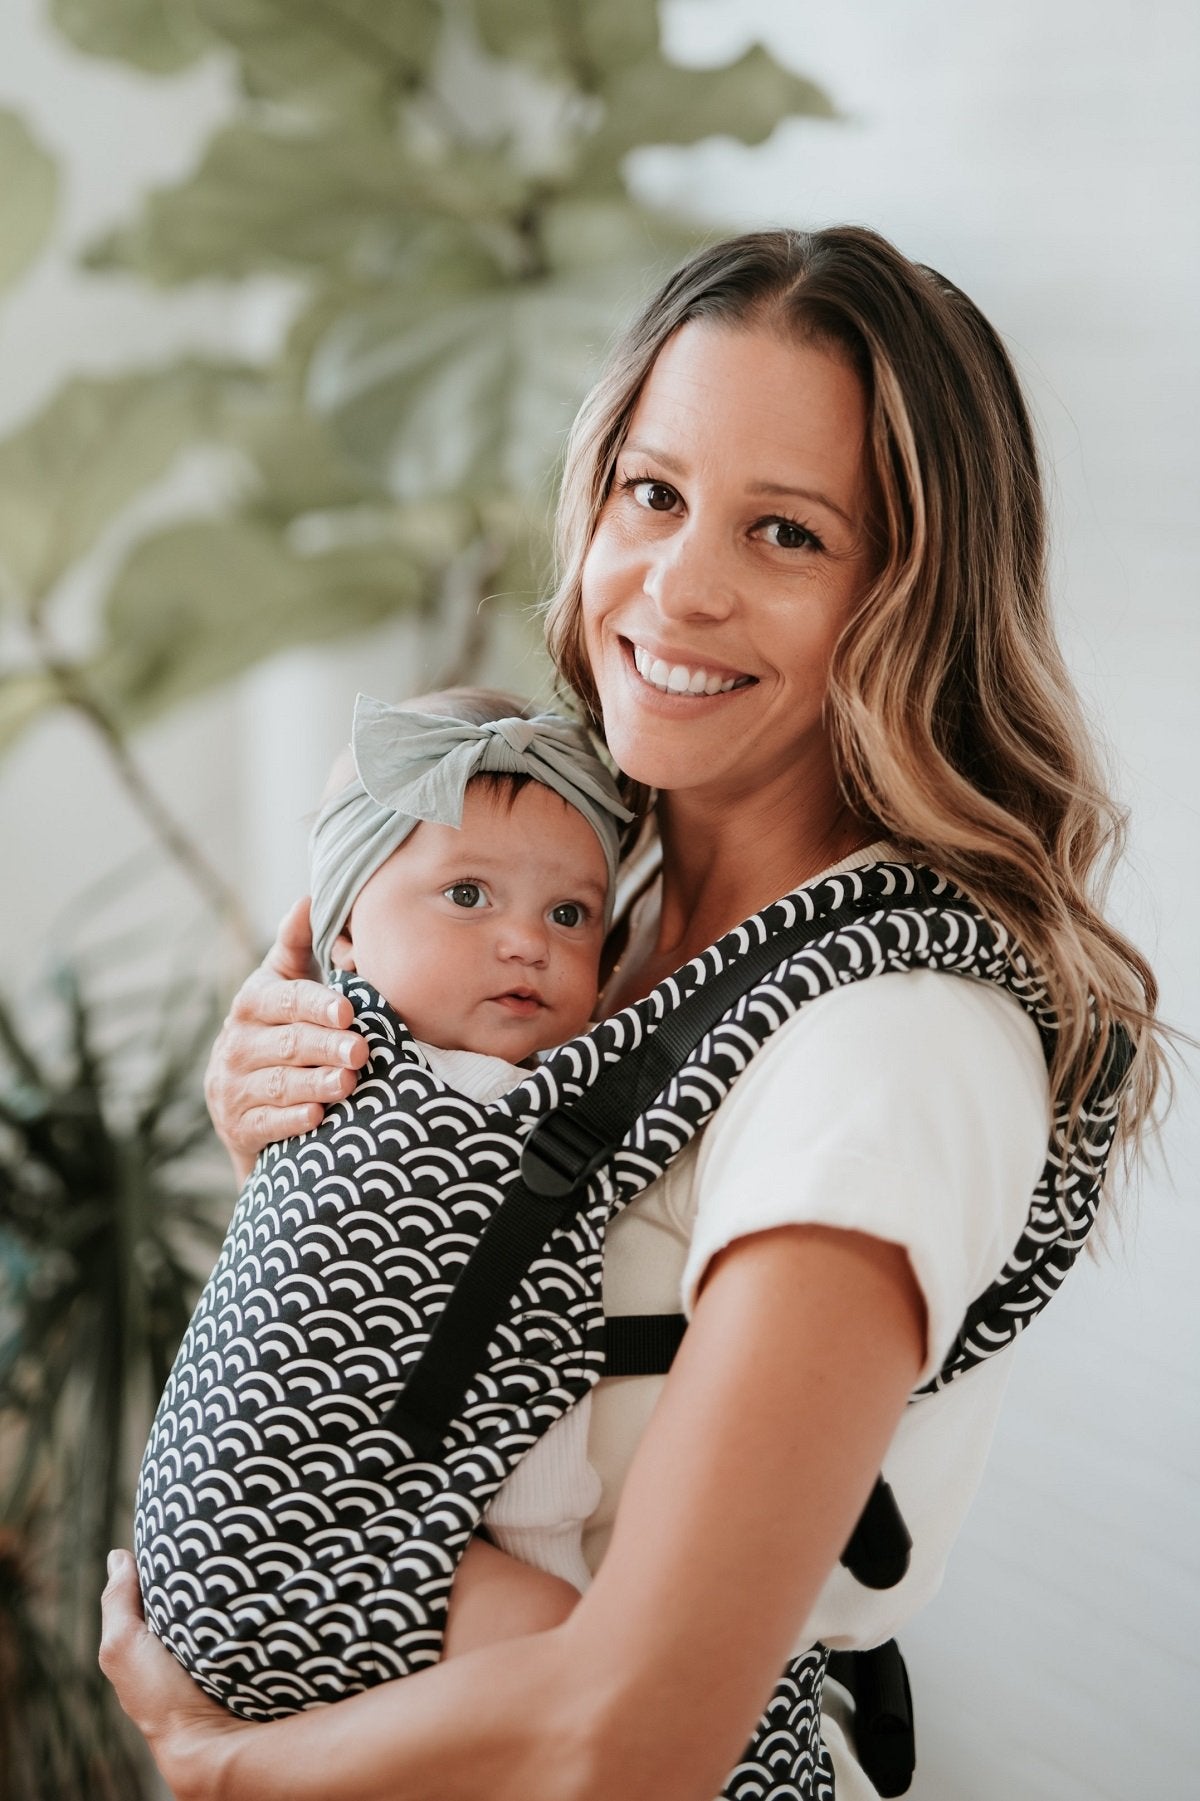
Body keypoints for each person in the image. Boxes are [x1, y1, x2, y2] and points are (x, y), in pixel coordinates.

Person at [100, 226, 1165, 1801]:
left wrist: (221, 1771)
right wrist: (313, 1110)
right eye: (652, 494)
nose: (678, 585)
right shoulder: (592, 916)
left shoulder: (894, 1040)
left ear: (911, 599)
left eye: (787, 533)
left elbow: (638, 1732)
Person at [137, 686, 636, 1707]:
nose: (526, 942)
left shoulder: (329, 1068)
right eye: (467, 894)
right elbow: (534, 1359)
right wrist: (551, 1559)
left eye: (571, 913)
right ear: (343, 931)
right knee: (612, 1678)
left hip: (194, 1548)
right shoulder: (499, 1114)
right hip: (303, 1558)